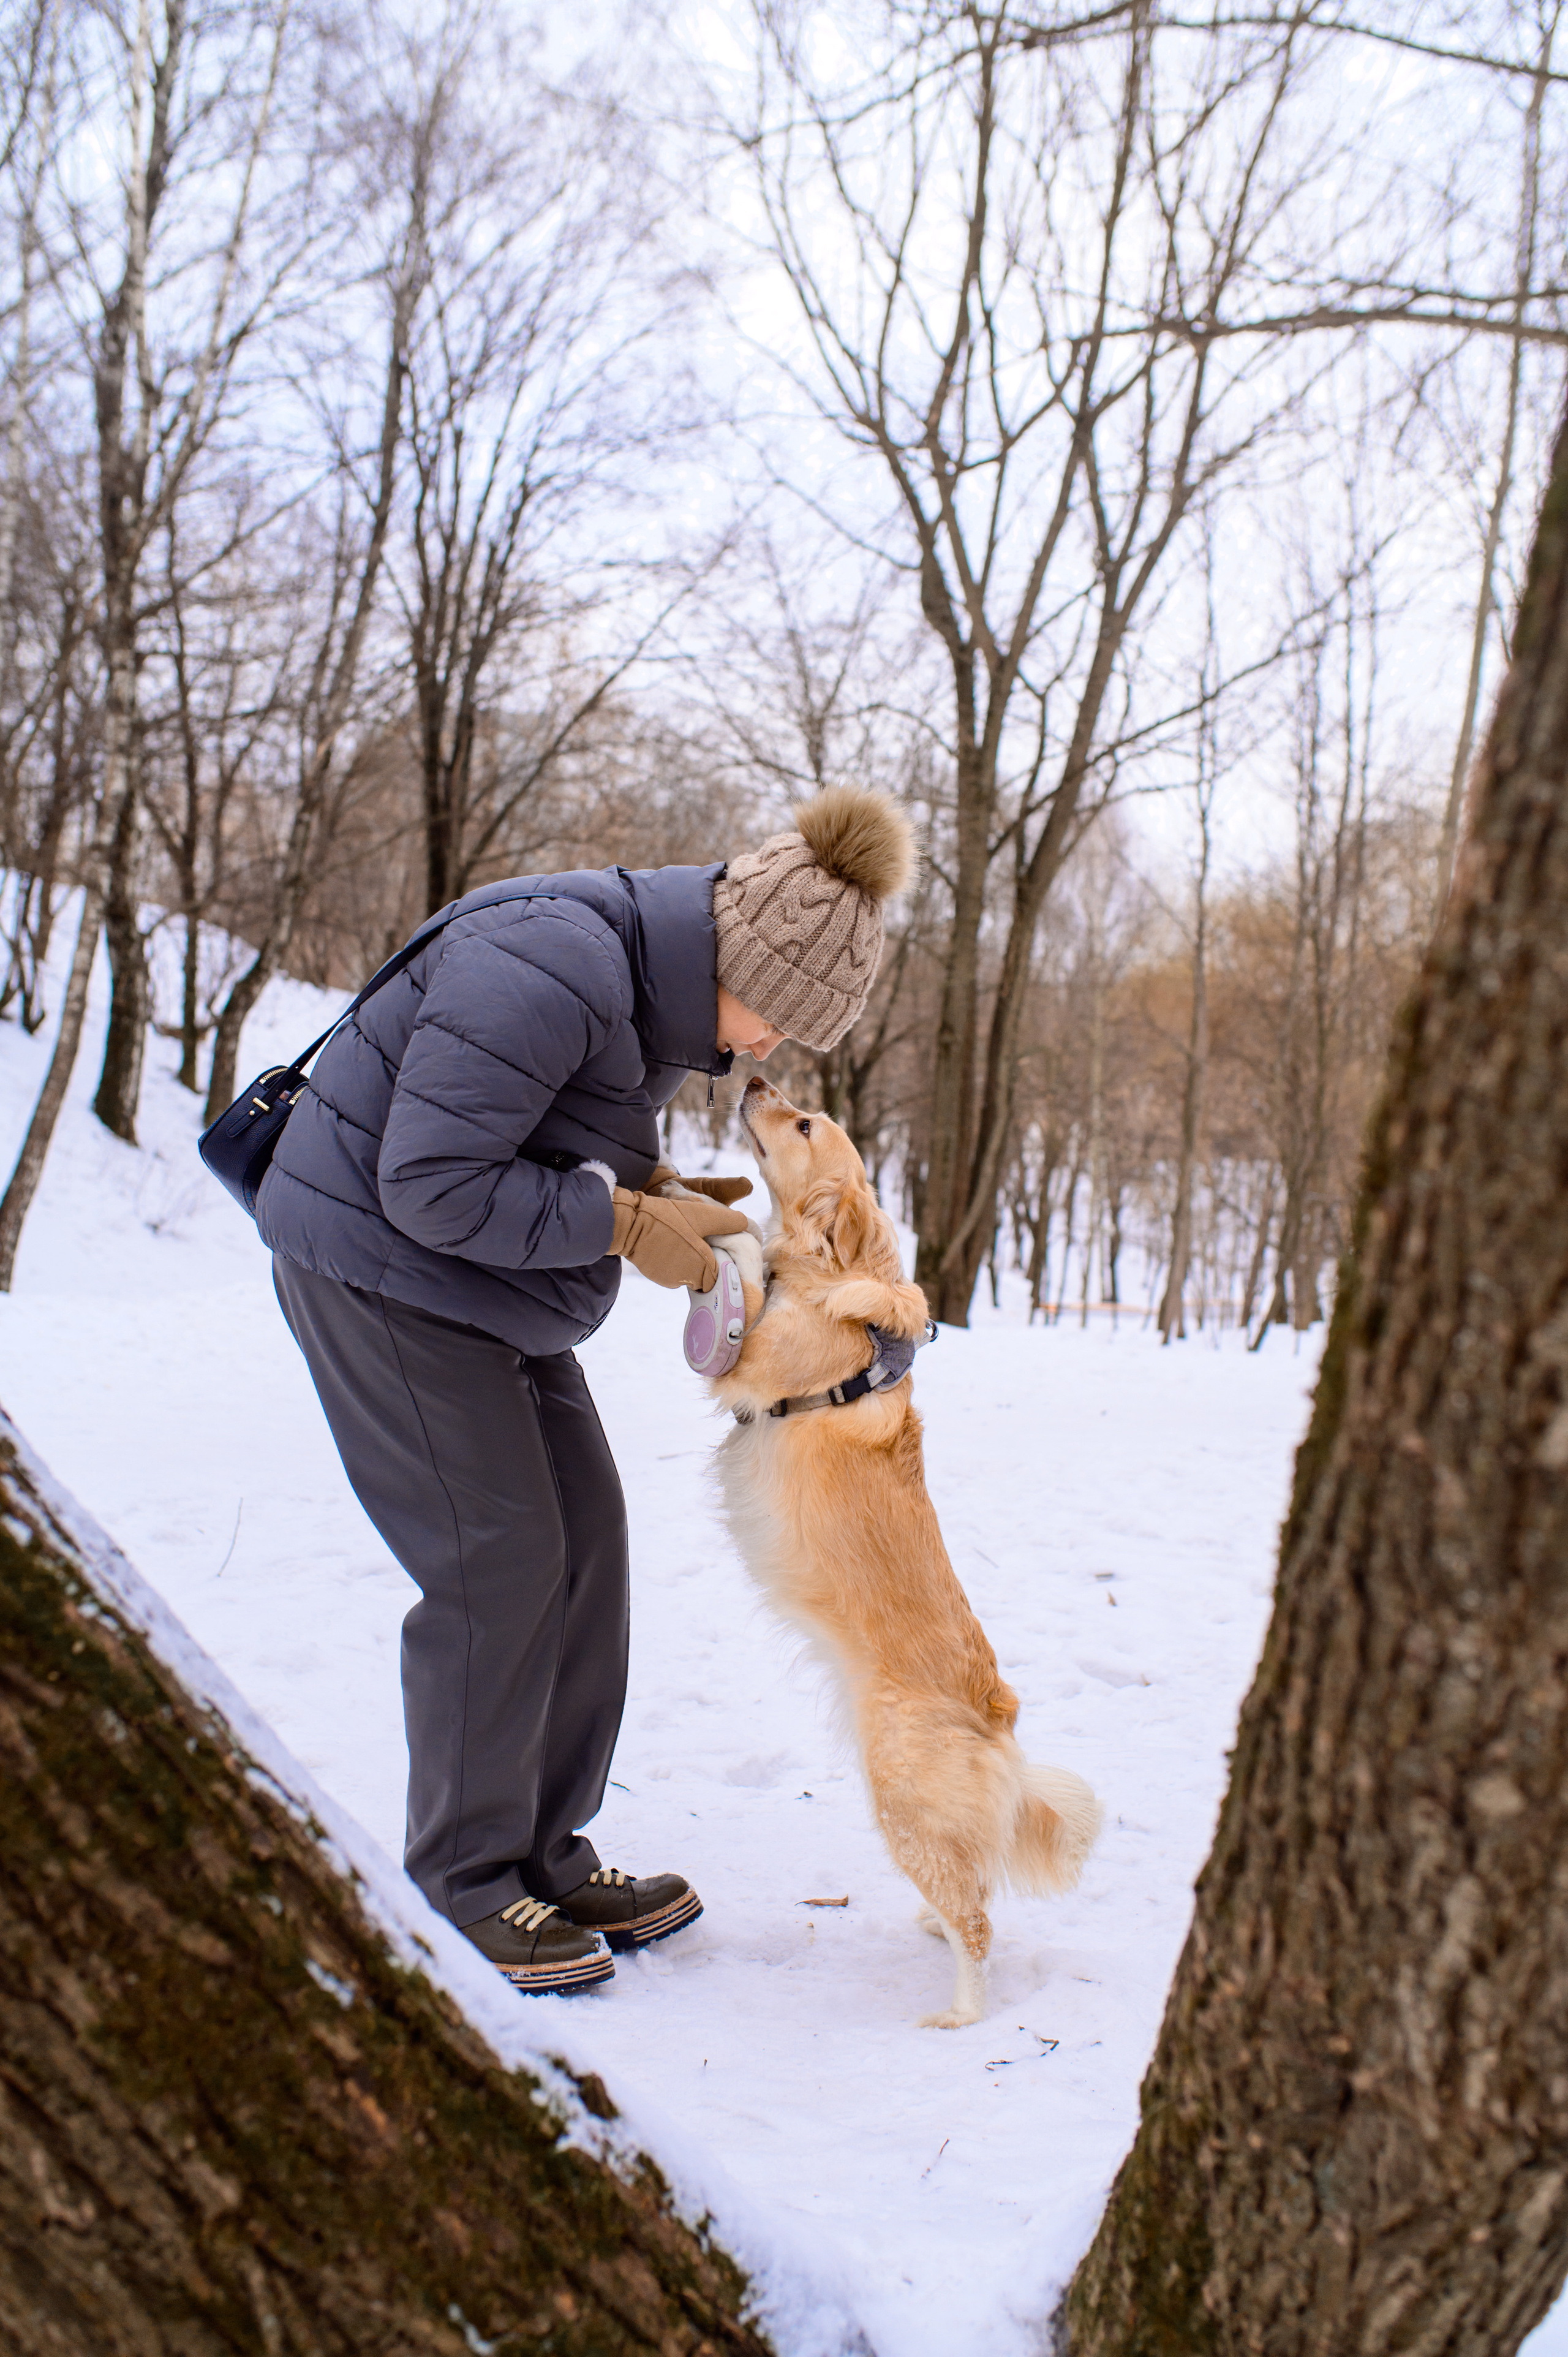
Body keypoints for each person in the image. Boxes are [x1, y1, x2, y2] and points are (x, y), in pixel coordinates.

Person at [257, 784, 915, 1992]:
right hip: (380, 1269)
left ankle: (543, 1851)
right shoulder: (551, 962)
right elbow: (432, 1182)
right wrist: (620, 1222)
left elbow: (538, 1125)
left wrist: (659, 1191)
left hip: (474, 1282)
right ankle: (465, 1879)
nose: (766, 1046)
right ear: (741, 955)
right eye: (776, 1016)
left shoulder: (643, 992)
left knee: (588, 1538)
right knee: (499, 1552)